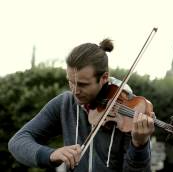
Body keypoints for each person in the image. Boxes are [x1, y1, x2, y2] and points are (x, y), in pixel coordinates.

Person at [8, 38, 155, 172]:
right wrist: (51, 154)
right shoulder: (65, 103)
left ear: (104, 77)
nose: (75, 91)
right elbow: (18, 141)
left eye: (83, 85)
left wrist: (139, 145)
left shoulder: (130, 114)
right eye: (71, 82)